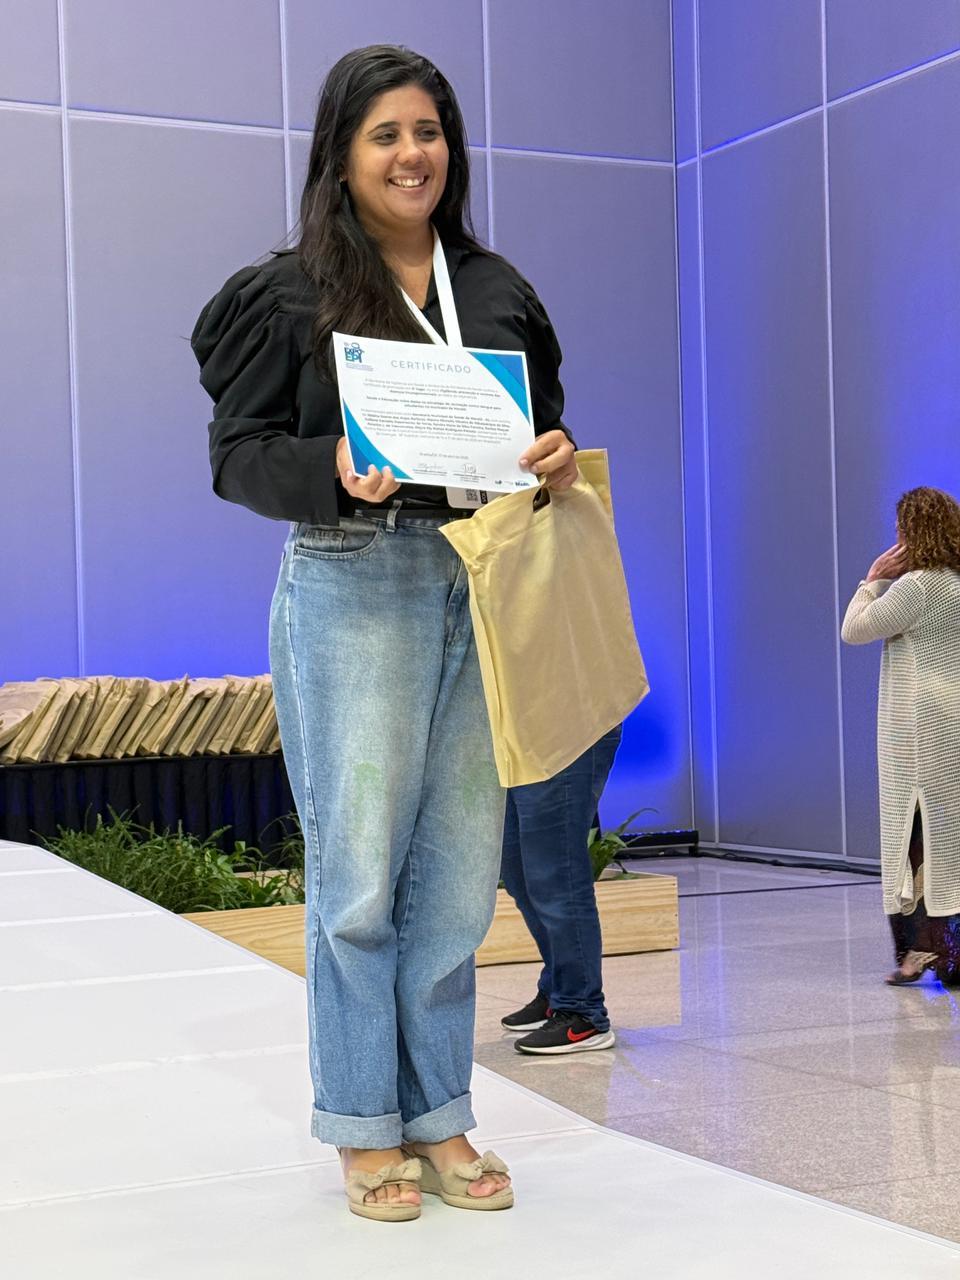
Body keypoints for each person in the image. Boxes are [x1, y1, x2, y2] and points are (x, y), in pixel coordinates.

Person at [191, 44, 578, 1221]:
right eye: (386, 135)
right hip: (354, 576)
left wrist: (556, 458)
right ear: (342, 155)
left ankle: (439, 1110)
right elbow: (237, 456)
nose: (413, 154)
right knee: (359, 876)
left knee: (457, 879)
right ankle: (365, 1123)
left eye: (429, 131)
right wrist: (333, 469)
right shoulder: (288, 293)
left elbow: (542, 435)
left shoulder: (496, 287)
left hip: (482, 577)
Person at [841, 486, 960, 986]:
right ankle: (947, 952)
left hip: (916, 729)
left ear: (913, 533)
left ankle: (924, 951)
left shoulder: (917, 587)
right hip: (951, 724)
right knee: (948, 834)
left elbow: (854, 630)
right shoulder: (956, 583)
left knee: (913, 834)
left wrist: (871, 580)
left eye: (901, 529)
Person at [499, 726, 622, 1054]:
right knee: (517, 870)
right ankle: (558, 989)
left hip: (565, 730)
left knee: (557, 873)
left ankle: (582, 1010)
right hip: (520, 734)